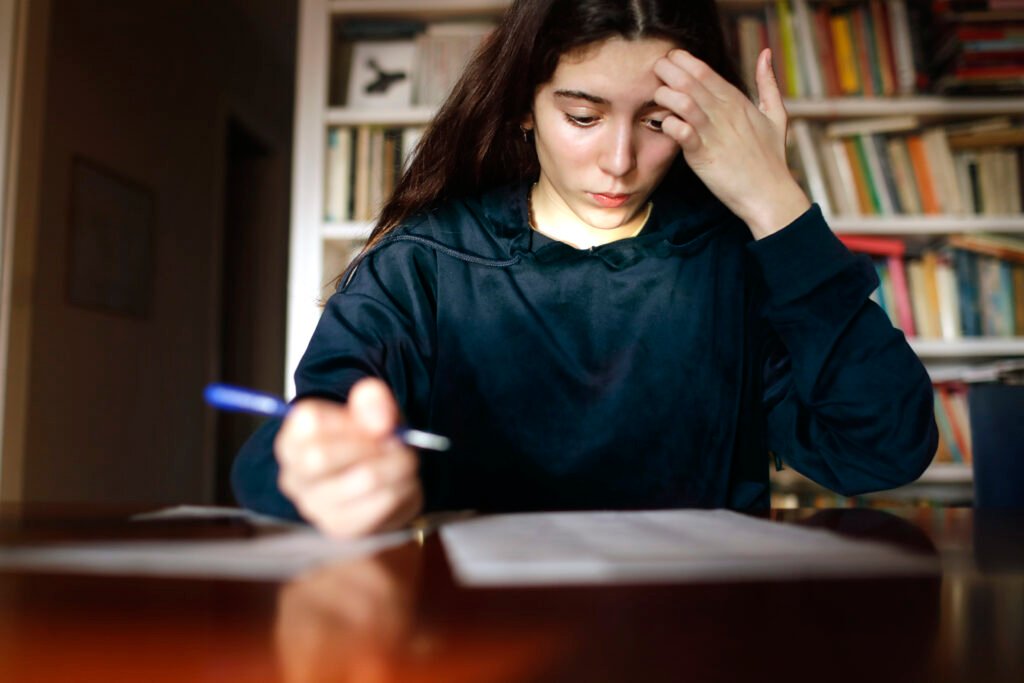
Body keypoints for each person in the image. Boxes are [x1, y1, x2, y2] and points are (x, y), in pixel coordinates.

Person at [232, 0, 937, 537]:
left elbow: (883, 449)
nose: (620, 160)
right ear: (525, 112)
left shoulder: (740, 265)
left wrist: (778, 206)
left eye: (657, 120)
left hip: (705, 641)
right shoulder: (426, 264)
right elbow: (295, 443)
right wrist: (316, 472)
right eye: (582, 116)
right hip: (478, 641)